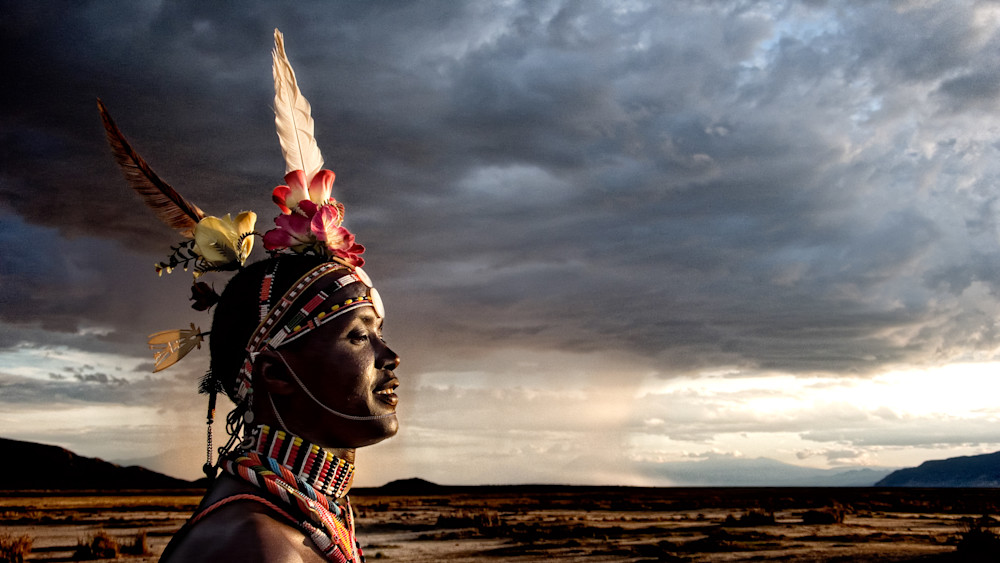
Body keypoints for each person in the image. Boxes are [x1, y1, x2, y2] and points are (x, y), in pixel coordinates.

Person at [99, 29, 396, 563]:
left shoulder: (291, 523)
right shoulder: (257, 545)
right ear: (275, 374)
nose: (389, 358)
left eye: (377, 334)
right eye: (359, 337)